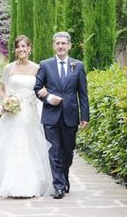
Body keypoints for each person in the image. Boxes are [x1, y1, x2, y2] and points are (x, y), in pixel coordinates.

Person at [0, 35, 54, 198]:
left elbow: (43, 88)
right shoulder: (8, 68)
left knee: (28, 145)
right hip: (12, 112)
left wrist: (45, 91)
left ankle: (29, 185)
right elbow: (2, 88)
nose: (21, 49)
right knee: (12, 145)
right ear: (15, 50)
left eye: (24, 46)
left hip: (29, 112)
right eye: (18, 47)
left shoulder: (37, 68)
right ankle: (10, 184)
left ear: (30, 49)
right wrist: (4, 102)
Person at [34, 31, 89, 199]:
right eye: (57, 43)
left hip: (71, 116)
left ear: (69, 46)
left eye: (63, 43)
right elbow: (37, 88)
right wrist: (49, 98)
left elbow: (83, 94)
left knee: (68, 151)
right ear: (53, 46)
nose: (60, 46)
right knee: (54, 151)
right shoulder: (45, 65)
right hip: (51, 116)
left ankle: (64, 177)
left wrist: (85, 116)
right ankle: (58, 185)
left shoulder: (78, 66)